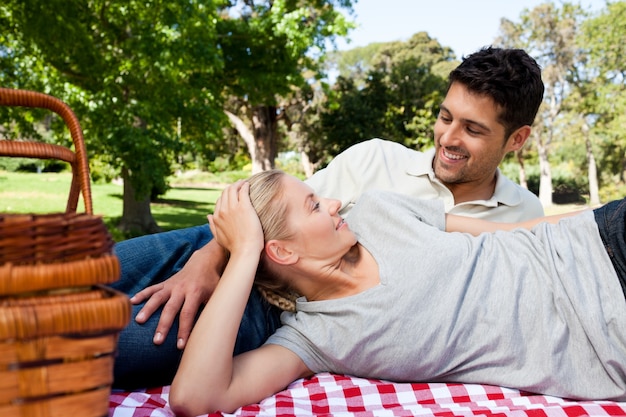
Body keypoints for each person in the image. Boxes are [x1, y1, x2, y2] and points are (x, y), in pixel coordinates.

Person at [110, 46, 546, 388]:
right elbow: (275, 211)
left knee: (84, 342)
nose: (447, 138)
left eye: (472, 129)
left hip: (272, 315)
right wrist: (204, 262)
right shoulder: (375, 158)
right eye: (445, 117)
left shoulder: (523, 216)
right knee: (65, 270)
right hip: (216, 245)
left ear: (517, 139)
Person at [170, 170, 626, 417]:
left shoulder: (377, 209)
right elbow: (195, 398)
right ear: (282, 251)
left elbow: (509, 231)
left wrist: (594, 218)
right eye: (313, 204)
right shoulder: (315, 339)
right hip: (611, 338)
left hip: (601, 240)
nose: (332, 202)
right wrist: (243, 250)